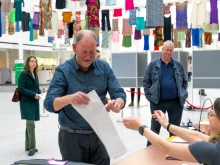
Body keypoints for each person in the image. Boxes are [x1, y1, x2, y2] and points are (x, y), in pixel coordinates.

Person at [44, 30, 126, 165]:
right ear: (74, 48)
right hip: (72, 138)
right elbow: (49, 103)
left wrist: (117, 103)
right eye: (84, 52)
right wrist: (69, 99)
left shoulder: (104, 68)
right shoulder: (63, 71)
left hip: (100, 135)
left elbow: (119, 93)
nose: (88, 57)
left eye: (92, 52)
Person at [123, 97, 220, 165]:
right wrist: (167, 125)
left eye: (211, 114)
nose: (208, 117)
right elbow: (197, 136)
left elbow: (166, 147)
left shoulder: (212, 150)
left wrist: (141, 127)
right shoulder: (215, 145)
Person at [143, 40, 188, 146]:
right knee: (154, 128)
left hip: (176, 103)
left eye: (171, 50)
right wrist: (150, 96)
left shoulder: (178, 65)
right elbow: (146, 81)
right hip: (157, 102)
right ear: (162, 50)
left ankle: (174, 152)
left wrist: (183, 94)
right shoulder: (153, 65)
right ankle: (150, 152)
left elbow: (184, 82)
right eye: (167, 50)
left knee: (175, 129)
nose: (168, 52)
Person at [18, 56, 41, 156]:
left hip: (34, 101)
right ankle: (32, 147)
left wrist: (40, 93)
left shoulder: (35, 74)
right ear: (27, 63)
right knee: (31, 124)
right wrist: (33, 94)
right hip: (26, 102)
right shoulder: (23, 74)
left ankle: (27, 145)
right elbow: (21, 89)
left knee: (29, 124)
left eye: (35, 62)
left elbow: (36, 88)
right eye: (32, 61)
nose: (34, 63)